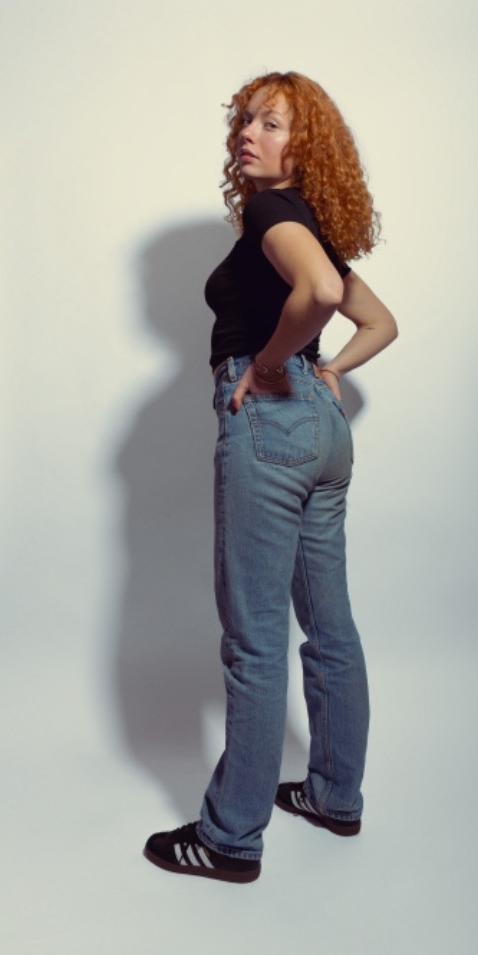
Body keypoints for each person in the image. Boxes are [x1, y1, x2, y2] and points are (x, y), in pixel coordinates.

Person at [143, 71, 398, 883]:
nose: (249, 133)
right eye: (247, 120)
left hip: (273, 423)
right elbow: (380, 323)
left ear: (306, 145)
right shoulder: (308, 225)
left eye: (273, 123)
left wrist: (268, 365)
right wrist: (329, 373)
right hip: (322, 433)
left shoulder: (271, 214)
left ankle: (229, 839)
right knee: (330, 627)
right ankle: (334, 795)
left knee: (255, 641)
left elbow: (319, 294)